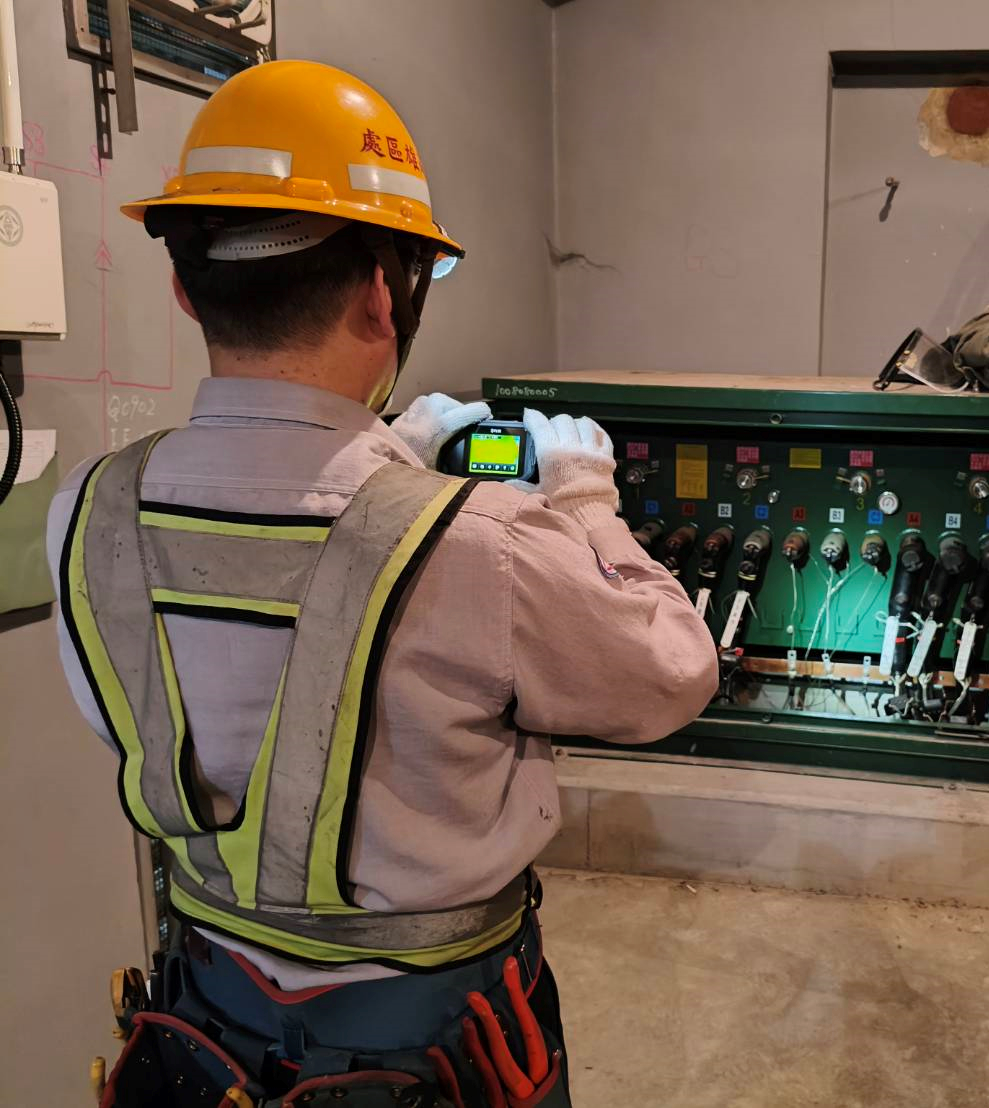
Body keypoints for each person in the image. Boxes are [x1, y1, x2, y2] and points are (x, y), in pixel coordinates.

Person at [46, 60, 717, 1108]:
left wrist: (389, 463)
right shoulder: (487, 539)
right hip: (438, 1044)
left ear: (183, 285)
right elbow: (673, 673)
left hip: (202, 1017)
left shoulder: (85, 511)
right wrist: (586, 500)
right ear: (381, 291)